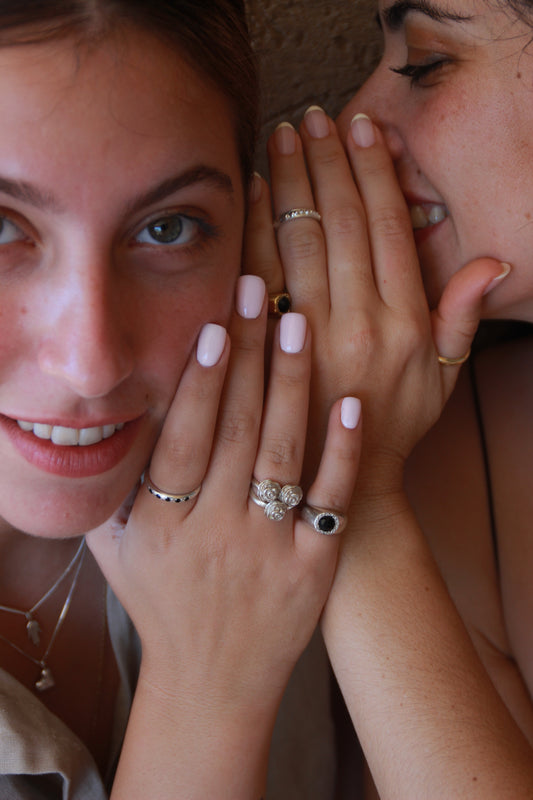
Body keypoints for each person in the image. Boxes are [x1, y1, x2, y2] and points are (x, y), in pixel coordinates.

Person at [0, 2, 362, 798]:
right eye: (1, 229)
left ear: (251, 239)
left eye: (168, 229)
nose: (91, 362)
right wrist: (208, 690)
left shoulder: (309, 486)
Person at [244, 0, 533, 796]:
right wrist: (358, 471)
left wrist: (353, 483)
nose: (353, 114)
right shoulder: (459, 458)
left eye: (425, 63)